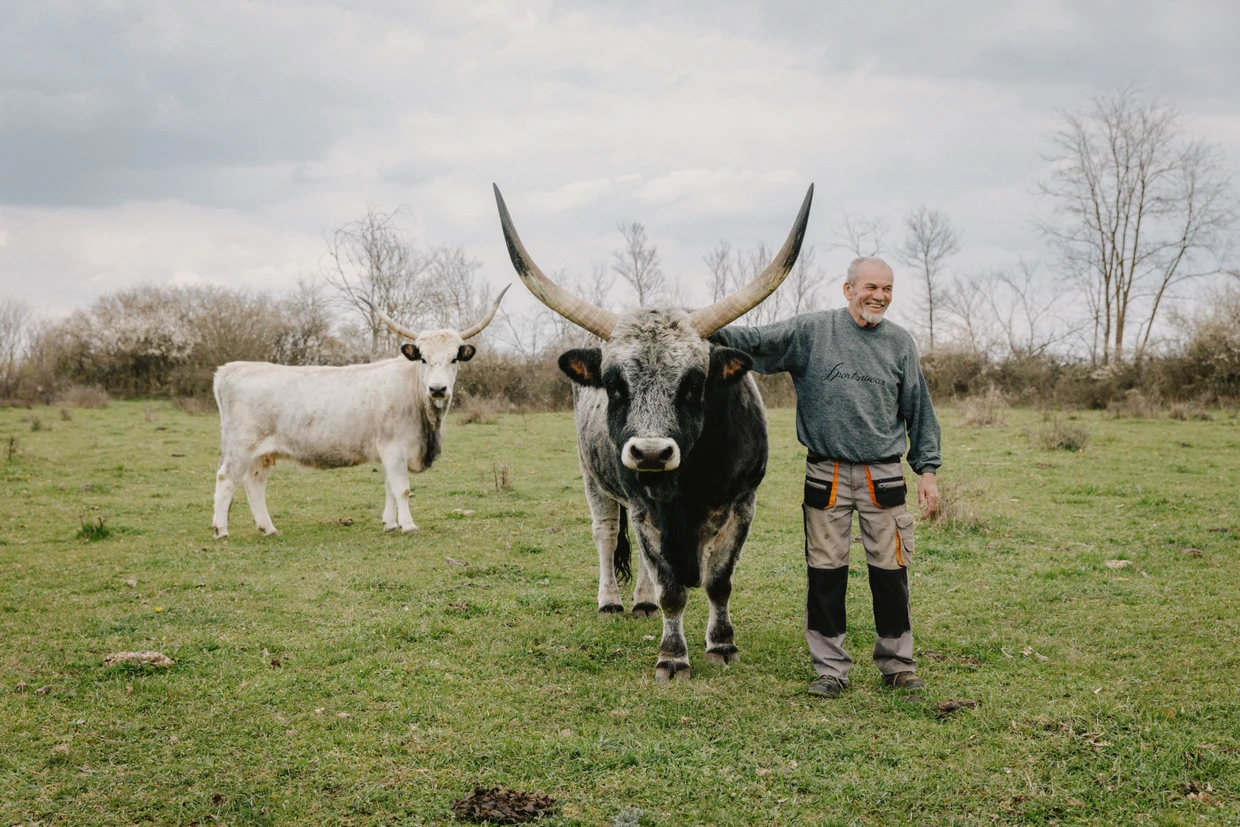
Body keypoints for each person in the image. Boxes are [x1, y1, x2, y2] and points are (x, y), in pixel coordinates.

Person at [711, 257, 940, 698]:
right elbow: (754, 342)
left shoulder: (900, 344)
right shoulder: (811, 333)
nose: (880, 296)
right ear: (848, 289)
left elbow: (919, 410)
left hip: (884, 475)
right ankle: (831, 671)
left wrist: (927, 470)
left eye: (888, 289)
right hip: (826, 475)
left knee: (891, 575)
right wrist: (691, 325)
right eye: (871, 287)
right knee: (825, 575)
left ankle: (897, 666)